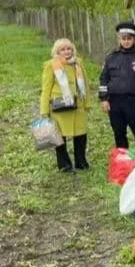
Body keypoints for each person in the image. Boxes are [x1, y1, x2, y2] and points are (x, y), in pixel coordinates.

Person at [40, 38, 90, 173]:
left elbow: (85, 83)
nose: (66, 51)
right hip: (59, 107)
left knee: (81, 135)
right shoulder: (51, 65)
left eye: (69, 48)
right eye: (63, 49)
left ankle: (81, 162)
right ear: (57, 51)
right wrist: (44, 111)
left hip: (77, 105)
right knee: (59, 137)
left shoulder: (78, 63)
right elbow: (46, 89)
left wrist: (87, 103)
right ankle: (64, 165)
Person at [99, 22, 135, 149]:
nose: (126, 42)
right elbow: (103, 78)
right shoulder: (111, 57)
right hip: (115, 102)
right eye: (123, 38)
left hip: (134, 102)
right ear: (119, 39)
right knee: (119, 133)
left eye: (129, 39)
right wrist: (104, 99)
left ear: (134, 39)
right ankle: (123, 162)